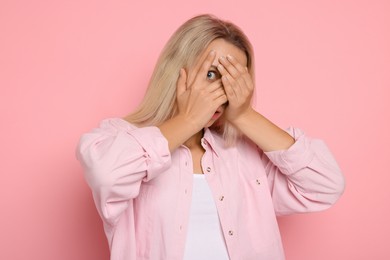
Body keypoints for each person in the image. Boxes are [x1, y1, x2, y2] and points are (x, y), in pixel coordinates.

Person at [76, 14, 345, 260]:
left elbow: (326, 185)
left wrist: (244, 115)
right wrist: (189, 120)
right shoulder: (118, 139)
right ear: (176, 72)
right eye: (211, 74)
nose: (222, 91)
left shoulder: (249, 159)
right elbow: (106, 175)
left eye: (234, 80)